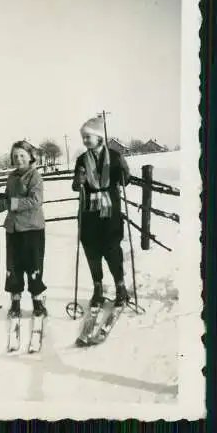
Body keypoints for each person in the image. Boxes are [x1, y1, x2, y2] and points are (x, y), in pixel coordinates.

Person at [0, 140, 47, 318]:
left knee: (33, 266)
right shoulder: (12, 177)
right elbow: (8, 198)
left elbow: (35, 201)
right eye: (15, 156)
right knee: (14, 267)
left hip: (32, 229)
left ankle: (37, 301)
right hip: (13, 230)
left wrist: (10, 203)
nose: (18, 159)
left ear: (30, 157)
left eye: (22, 155)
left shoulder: (35, 177)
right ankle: (15, 302)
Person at [72, 117, 130, 309]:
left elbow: (125, 180)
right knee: (91, 250)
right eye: (84, 137)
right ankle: (98, 288)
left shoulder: (114, 156)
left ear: (98, 137)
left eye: (88, 137)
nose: (85, 141)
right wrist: (79, 180)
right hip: (89, 212)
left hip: (110, 211)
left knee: (112, 248)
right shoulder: (81, 159)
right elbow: (75, 186)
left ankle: (120, 287)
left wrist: (123, 172)